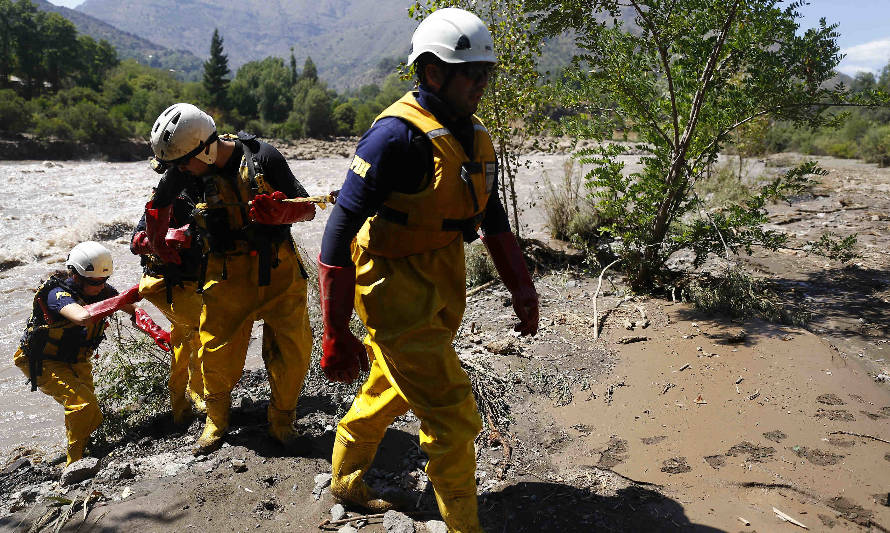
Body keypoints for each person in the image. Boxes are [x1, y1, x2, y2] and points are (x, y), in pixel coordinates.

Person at [317, 8, 539, 532]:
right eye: (472, 73)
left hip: (443, 276)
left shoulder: (474, 137)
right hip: (391, 284)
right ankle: (464, 524)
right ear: (433, 72)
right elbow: (336, 234)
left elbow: (494, 220)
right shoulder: (394, 138)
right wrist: (334, 330)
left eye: (487, 72)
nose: (482, 83)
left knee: (392, 386)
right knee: (454, 416)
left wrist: (522, 288)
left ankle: (345, 482)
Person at [145, 102, 316, 456]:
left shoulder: (263, 158)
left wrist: (282, 211)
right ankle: (216, 422)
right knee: (215, 351)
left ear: (205, 147)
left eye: (182, 164)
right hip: (225, 275)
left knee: (292, 350)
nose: (178, 172)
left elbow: (309, 206)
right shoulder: (186, 168)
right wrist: (159, 244)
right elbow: (157, 207)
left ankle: (282, 422)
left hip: (279, 270)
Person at [14, 241, 171, 465]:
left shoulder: (103, 291)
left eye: (104, 281)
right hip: (42, 361)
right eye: (93, 282)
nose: (100, 287)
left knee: (92, 414)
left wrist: (156, 331)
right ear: (76, 276)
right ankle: (74, 463)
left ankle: (82, 451)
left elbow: (133, 310)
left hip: (77, 359)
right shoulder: (56, 293)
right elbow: (81, 316)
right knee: (82, 405)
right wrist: (122, 298)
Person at [130, 179, 206, 425]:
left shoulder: (214, 191)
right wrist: (169, 239)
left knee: (184, 342)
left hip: (189, 286)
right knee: (202, 332)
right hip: (164, 284)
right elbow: (135, 242)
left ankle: (180, 410)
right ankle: (200, 399)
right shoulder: (169, 198)